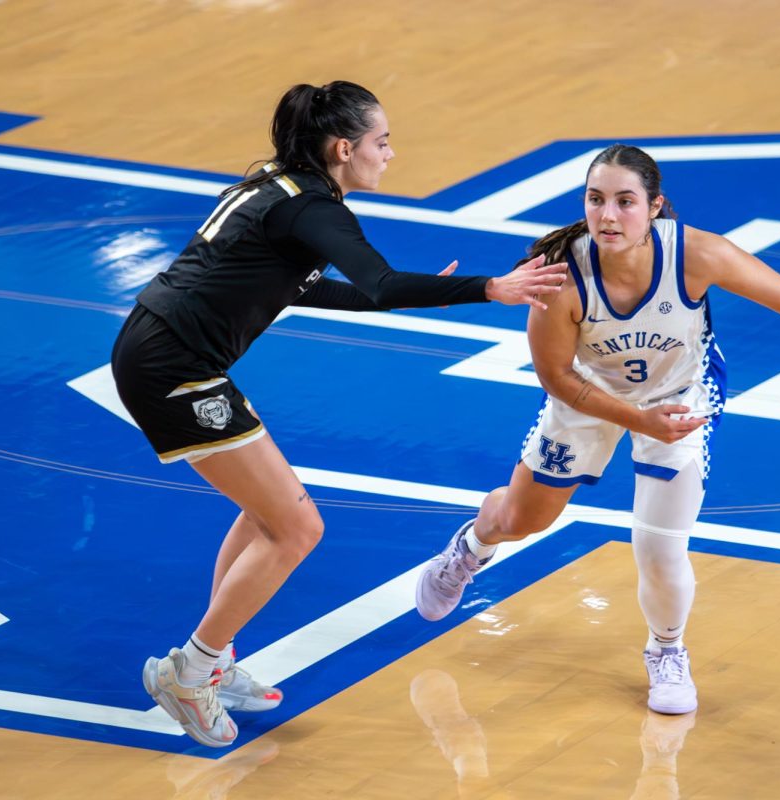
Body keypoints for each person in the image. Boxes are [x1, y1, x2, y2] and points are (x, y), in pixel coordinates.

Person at [111, 81, 567, 747]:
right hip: (171, 370)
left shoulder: (279, 186)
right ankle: (191, 671)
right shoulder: (316, 210)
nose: (390, 152)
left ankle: (216, 661)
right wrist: (486, 288)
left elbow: (307, 286)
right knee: (297, 528)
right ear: (343, 147)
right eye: (381, 142)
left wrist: (427, 294)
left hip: (168, 354)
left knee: (267, 512)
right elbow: (378, 281)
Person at [415, 143, 780, 716]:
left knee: (660, 545)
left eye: (625, 201)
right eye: (596, 200)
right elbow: (558, 378)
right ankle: (469, 547)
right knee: (521, 519)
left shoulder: (694, 253)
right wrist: (640, 421)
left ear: (654, 206)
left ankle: (666, 650)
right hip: (589, 396)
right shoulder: (559, 281)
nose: (608, 216)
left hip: (682, 393)